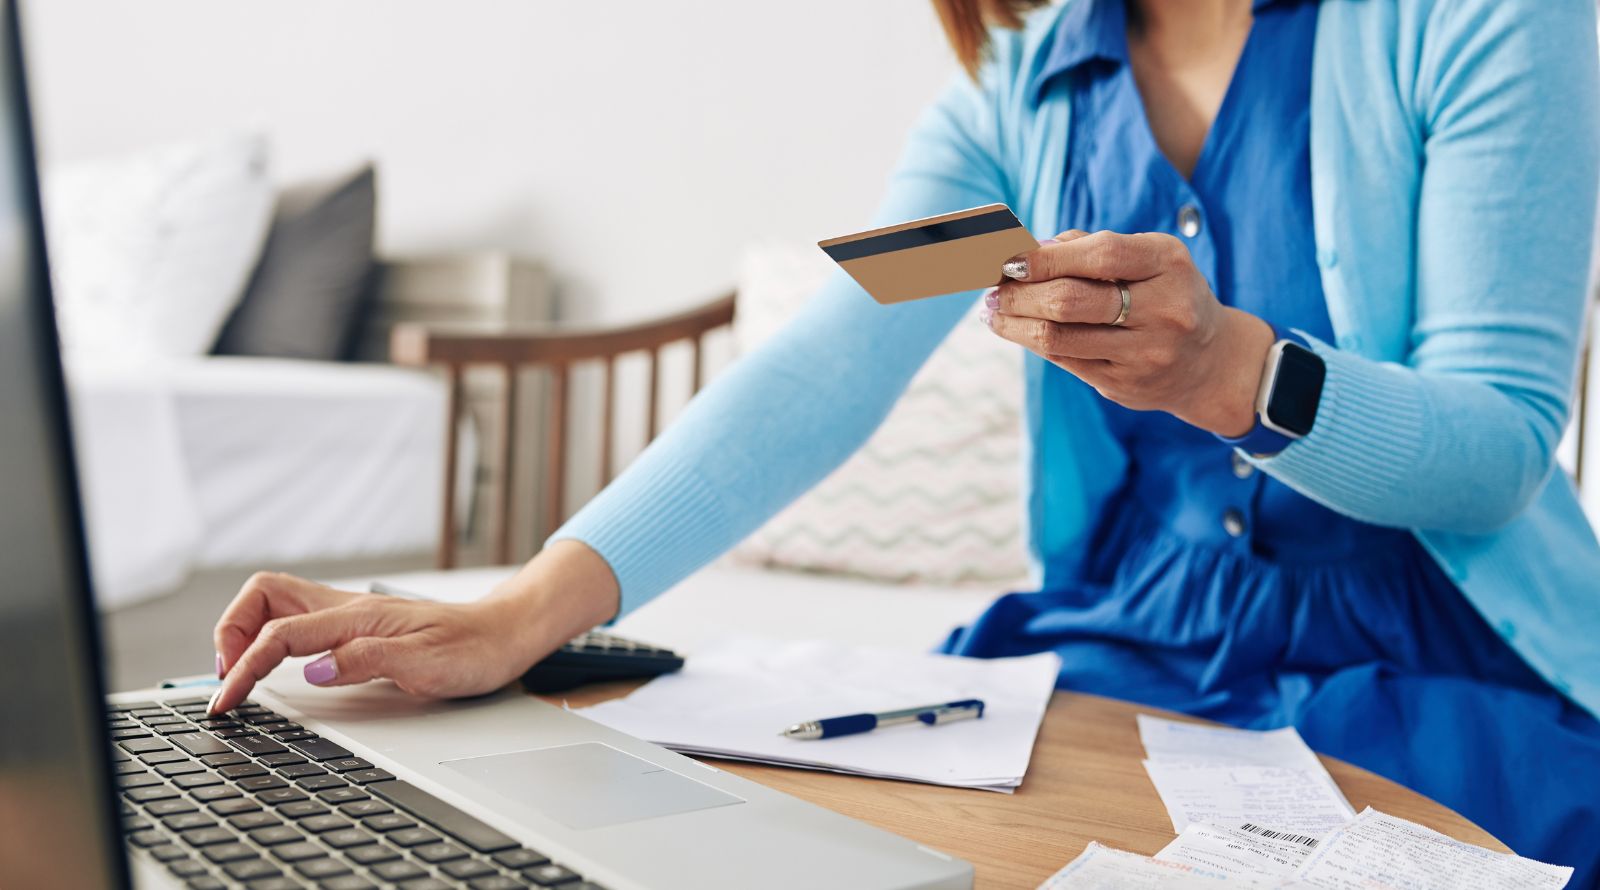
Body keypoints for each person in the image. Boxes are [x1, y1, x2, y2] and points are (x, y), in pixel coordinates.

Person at [208, 0, 1600, 879]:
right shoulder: (1013, 96)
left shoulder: (1479, 18)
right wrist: (524, 607)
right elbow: (823, 362)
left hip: (1440, 656)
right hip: (1122, 643)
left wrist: (1236, 370)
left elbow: (1499, 447)